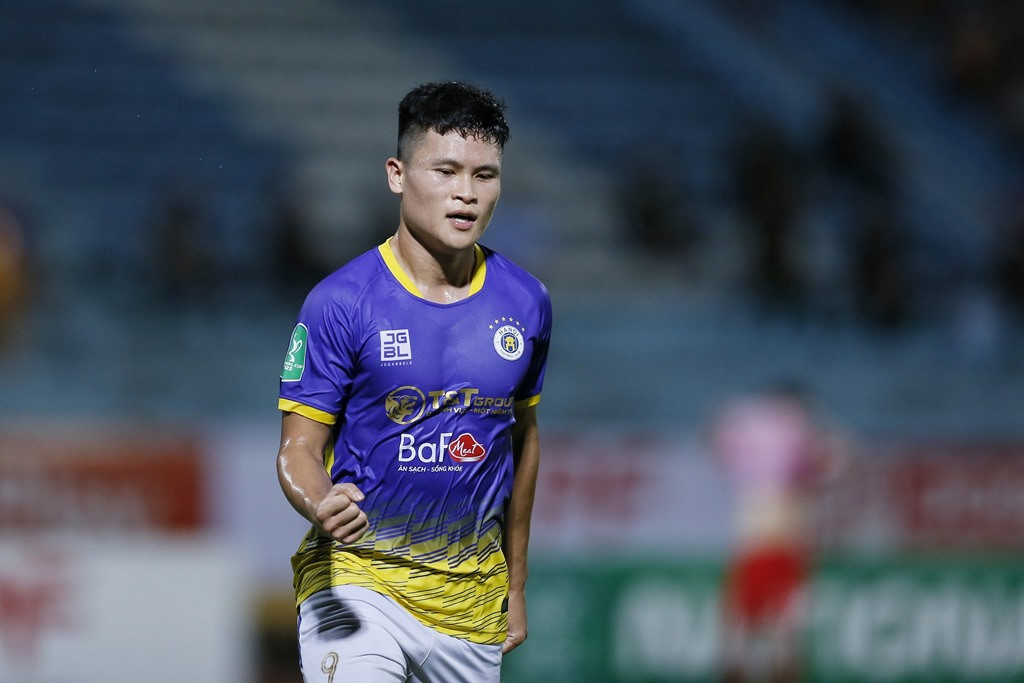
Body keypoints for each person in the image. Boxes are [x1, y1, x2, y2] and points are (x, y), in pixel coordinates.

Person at [275, 81, 552, 682]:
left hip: (469, 604)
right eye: (446, 171)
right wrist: (322, 501)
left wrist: (516, 581)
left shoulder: (527, 301)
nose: (466, 192)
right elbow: (297, 450)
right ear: (397, 175)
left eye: (484, 175)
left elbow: (522, 439)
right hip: (355, 582)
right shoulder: (340, 302)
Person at [708, 383, 846, 682]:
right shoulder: (782, 435)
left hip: (772, 544)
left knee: (770, 637)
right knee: (762, 636)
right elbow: (834, 464)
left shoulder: (782, 436)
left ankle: (760, 664)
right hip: (768, 544)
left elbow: (832, 465)